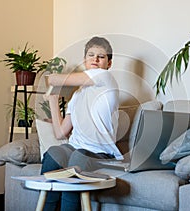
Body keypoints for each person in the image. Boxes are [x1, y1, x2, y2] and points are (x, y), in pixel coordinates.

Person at [41, 36, 122, 211]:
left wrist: (52, 82)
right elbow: (61, 133)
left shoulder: (105, 77)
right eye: (91, 55)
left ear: (109, 63)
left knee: (77, 159)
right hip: (76, 147)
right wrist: (53, 100)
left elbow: (53, 80)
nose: (95, 59)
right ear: (85, 60)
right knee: (53, 153)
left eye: (101, 56)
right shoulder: (77, 95)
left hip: (101, 153)